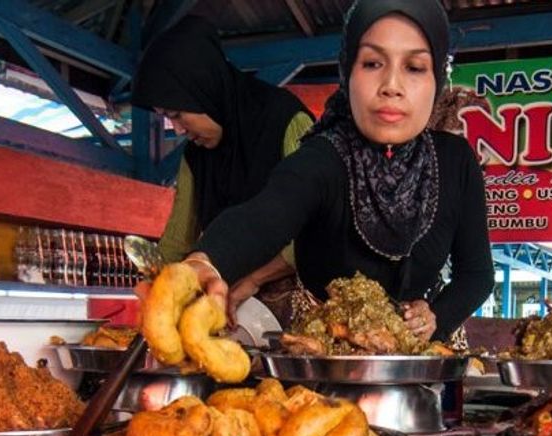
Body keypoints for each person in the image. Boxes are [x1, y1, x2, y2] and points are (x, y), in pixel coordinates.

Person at [183, 0, 494, 343]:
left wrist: (436, 316)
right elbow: (264, 216)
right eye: (373, 63)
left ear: (437, 79)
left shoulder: (456, 161)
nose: (391, 85)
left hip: (418, 361)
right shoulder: (324, 157)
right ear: (348, 72)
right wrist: (207, 260)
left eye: (415, 67)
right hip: (323, 359)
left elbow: (477, 274)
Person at [132, 16, 315, 325]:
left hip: (297, 318)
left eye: (178, 114)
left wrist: (254, 279)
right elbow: (178, 242)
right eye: (166, 117)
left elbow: (314, 232)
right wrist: (160, 288)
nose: (176, 129)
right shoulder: (196, 153)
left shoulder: (285, 121)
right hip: (230, 311)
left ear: (205, 88)